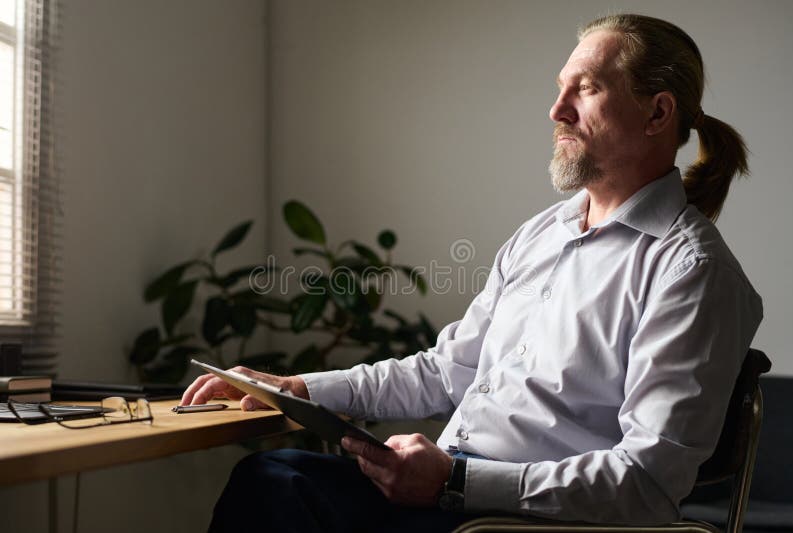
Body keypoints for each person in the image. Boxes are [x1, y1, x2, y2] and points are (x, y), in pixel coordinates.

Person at [181, 14, 763, 533]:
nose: (556, 111)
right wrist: (299, 389)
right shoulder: (542, 234)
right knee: (274, 478)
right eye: (559, 89)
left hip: (523, 524)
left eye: (586, 89)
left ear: (658, 112)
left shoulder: (692, 271)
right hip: (453, 504)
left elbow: (647, 484)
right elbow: (447, 372)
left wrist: (456, 482)